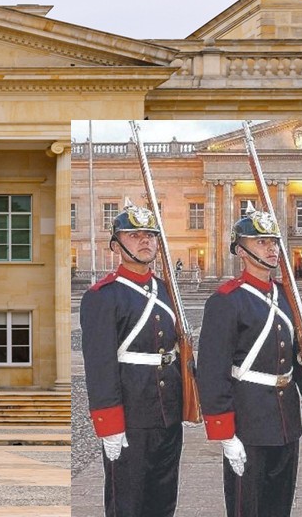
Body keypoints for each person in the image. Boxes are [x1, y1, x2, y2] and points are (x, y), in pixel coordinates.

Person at [197, 210, 302, 517]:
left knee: (279, 506)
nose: (272, 248)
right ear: (240, 250)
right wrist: (224, 432)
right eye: (261, 241)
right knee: (247, 508)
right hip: (248, 424)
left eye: (274, 241)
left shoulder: (287, 295)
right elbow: (212, 372)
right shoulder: (225, 301)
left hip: (286, 424)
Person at [81, 202, 184, 517]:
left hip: (168, 413)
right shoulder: (103, 296)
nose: (145, 241)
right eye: (135, 234)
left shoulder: (168, 291)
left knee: (163, 501)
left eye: (150, 235)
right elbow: (100, 366)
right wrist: (109, 424)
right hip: (130, 414)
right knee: (127, 503)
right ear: (116, 244)